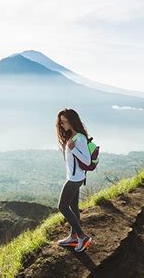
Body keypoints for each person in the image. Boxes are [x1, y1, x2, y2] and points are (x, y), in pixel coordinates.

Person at [55, 108, 92, 252]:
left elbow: (87, 160)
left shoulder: (80, 138)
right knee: (73, 207)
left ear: (72, 121)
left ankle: (83, 237)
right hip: (75, 177)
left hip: (74, 179)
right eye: (61, 122)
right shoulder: (73, 137)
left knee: (62, 207)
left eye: (64, 122)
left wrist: (73, 149)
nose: (62, 125)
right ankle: (73, 236)